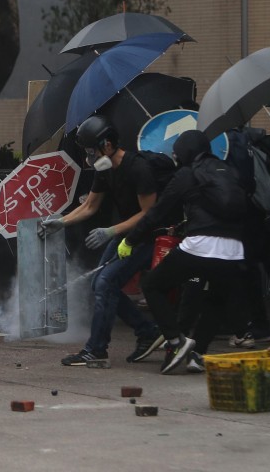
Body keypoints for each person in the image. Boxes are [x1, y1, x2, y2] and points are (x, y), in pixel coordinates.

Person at [44, 115, 165, 366]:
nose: (89, 157)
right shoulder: (105, 169)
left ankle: (96, 350)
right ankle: (148, 331)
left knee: (106, 283)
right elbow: (89, 206)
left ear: (107, 145)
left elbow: (148, 214)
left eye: (90, 150)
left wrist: (110, 231)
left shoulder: (138, 168)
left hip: (148, 237)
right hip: (124, 234)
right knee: (100, 284)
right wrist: (61, 222)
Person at [123, 129, 247, 375]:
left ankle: (175, 340)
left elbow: (157, 211)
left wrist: (130, 240)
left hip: (201, 246)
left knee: (153, 285)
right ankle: (197, 354)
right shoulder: (229, 172)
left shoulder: (187, 174)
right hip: (234, 250)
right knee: (215, 300)